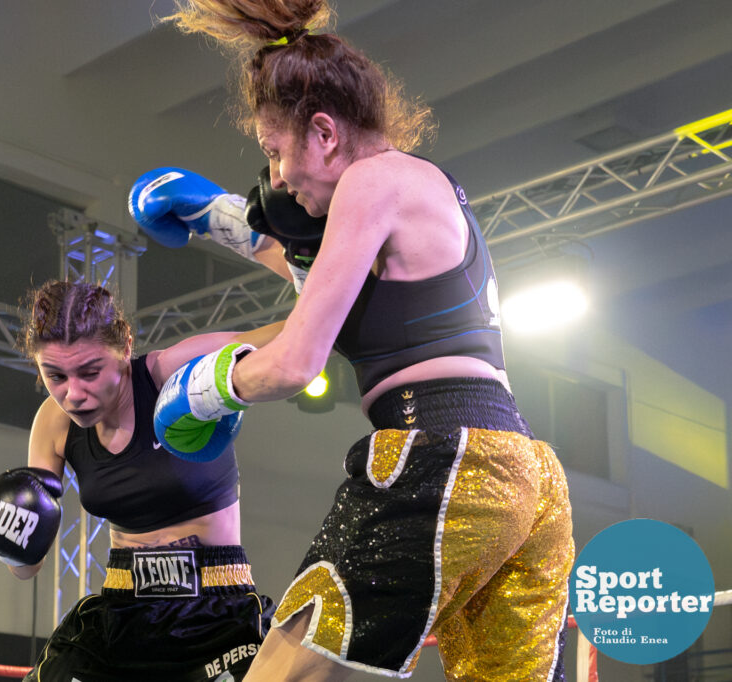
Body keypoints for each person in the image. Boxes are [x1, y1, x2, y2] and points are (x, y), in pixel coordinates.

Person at [135, 1, 576, 680]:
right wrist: (210, 213)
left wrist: (203, 389)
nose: (277, 176)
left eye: (275, 152)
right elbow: (315, 276)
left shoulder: (374, 181)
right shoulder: (417, 191)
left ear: (324, 131)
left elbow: (294, 361)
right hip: (525, 476)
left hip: (439, 458)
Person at [0, 279, 278, 682]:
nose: (73, 393)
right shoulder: (53, 421)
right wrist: (10, 539)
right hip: (122, 612)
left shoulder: (170, 373)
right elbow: (27, 569)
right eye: (56, 376)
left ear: (125, 348)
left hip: (214, 611)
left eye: (90, 372)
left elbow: (287, 336)